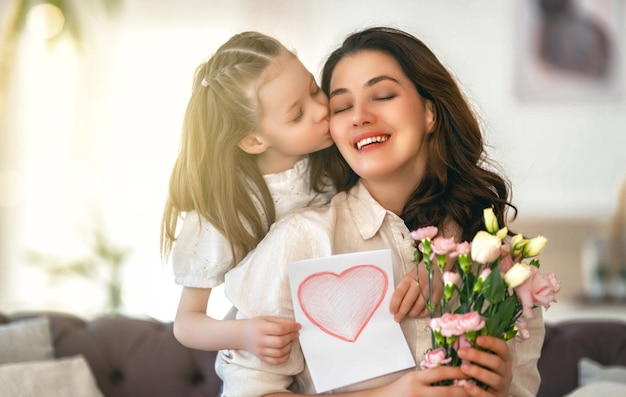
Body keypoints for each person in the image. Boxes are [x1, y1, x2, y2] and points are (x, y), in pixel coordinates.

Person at [216, 27, 545, 396]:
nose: (359, 116)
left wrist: (499, 388)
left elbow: (523, 389)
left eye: (383, 95)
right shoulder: (302, 240)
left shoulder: (497, 259)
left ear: (430, 112)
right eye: (341, 107)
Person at [160, 31, 335, 365]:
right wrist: (244, 334)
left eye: (315, 90)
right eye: (297, 114)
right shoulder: (228, 207)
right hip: (263, 363)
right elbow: (186, 323)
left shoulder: (333, 161)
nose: (321, 111)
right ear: (254, 140)